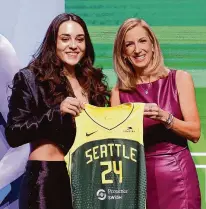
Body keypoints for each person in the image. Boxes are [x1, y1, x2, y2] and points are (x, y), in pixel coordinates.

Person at [5, 13, 109, 209]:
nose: (73, 45)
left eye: (80, 39)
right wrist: (55, 113)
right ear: (53, 42)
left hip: (87, 179)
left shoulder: (91, 82)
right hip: (46, 179)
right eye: (65, 39)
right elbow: (14, 133)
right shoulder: (30, 78)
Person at [111, 18, 201, 209]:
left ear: (153, 45)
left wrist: (165, 117)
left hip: (178, 177)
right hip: (138, 181)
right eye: (129, 44)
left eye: (142, 41)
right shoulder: (118, 93)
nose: (137, 49)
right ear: (123, 53)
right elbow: (117, 147)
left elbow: (195, 133)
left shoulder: (180, 79)